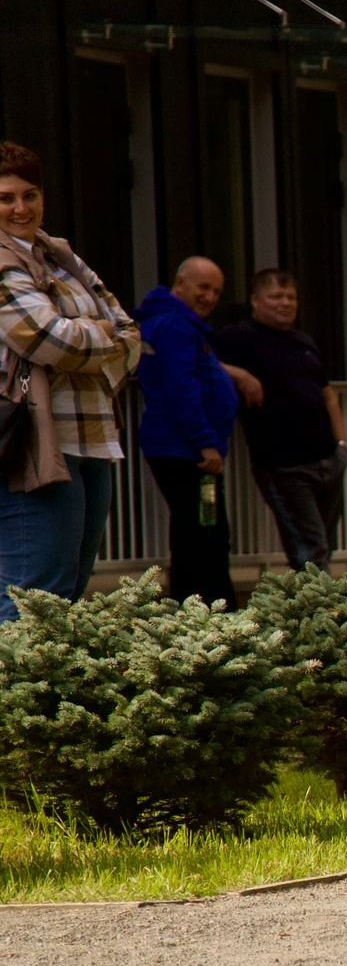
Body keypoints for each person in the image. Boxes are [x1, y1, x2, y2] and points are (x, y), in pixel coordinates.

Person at [0, 141, 142, 623]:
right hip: (30, 442)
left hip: (91, 434)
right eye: (6, 198)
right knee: (34, 594)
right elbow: (45, 338)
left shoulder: (61, 255)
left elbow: (131, 334)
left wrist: (88, 337)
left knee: (69, 593)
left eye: (30, 195)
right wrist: (102, 336)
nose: (21, 208)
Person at [215, 269, 347, 571]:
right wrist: (240, 375)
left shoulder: (304, 342)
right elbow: (199, 357)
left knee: (326, 545)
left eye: (291, 297)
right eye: (276, 296)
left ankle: (318, 598)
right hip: (284, 465)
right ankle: (316, 601)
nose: (285, 303)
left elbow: (328, 395)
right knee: (309, 550)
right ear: (255, 301)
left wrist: (342, 446)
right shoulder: (239, 337)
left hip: (328, 459)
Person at [134, 256, 240, 607]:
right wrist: (205, 443)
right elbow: (182, 389)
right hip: (188, 453)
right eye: (203, 288)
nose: (210, 297)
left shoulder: (179, 324)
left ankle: (197, 605)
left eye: (217, 292)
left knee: (198, 530)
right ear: (180, 284)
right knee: (205, 533)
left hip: (188, 449)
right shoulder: (176, 326)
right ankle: (209, 609)